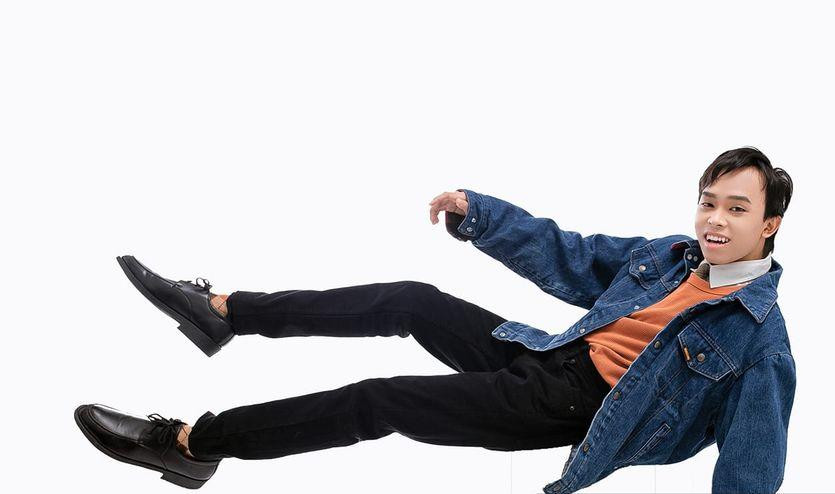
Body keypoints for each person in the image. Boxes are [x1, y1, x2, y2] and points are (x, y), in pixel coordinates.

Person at [75, 146, 795, 493]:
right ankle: (223, 312)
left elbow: (752, 464)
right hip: (547, 356)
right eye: (708, 202)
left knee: (380, 400)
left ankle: (191, 445)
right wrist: (482, 217)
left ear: (769, 224)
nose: (714, 219)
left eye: (736, 208)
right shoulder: (670, 257)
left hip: (571, 403)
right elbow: (570, 254)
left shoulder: (759, 343)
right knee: (410, 299)